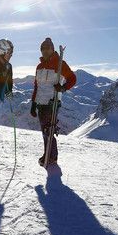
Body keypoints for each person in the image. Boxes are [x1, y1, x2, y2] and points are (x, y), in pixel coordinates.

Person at [30, 37, 76, 166]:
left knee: (48, 130)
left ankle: (52, 156)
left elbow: (72, 78)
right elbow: (36, 86)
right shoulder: (39, 66)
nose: (45, 51)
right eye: (43, 49)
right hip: (41, 102)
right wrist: (33, 103)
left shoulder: (60, 63)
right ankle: (48, 154)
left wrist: (63, 88)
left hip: (52, 101)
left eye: (47, 48)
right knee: (44, 130)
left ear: (52, 49)